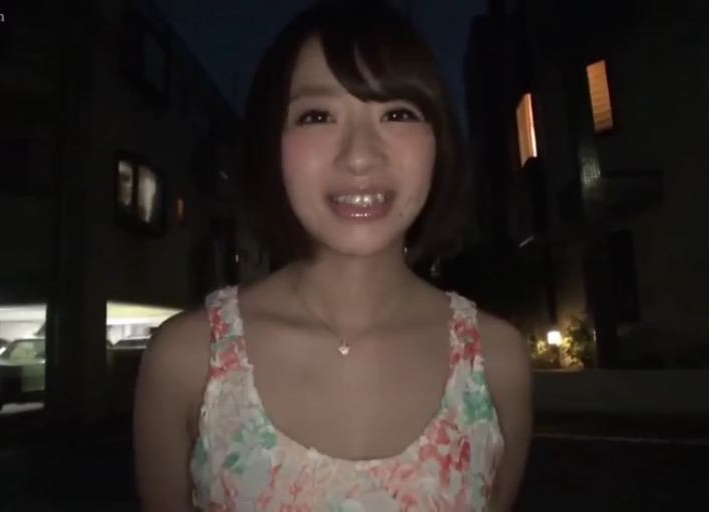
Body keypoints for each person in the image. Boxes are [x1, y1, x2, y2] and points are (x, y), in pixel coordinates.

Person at [133, 2, 532, 510]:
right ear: (270, 145)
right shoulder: (187, 360)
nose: (360, 155)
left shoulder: (496, 363)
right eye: (317, 116)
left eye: (397, 114)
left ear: (440, 141)